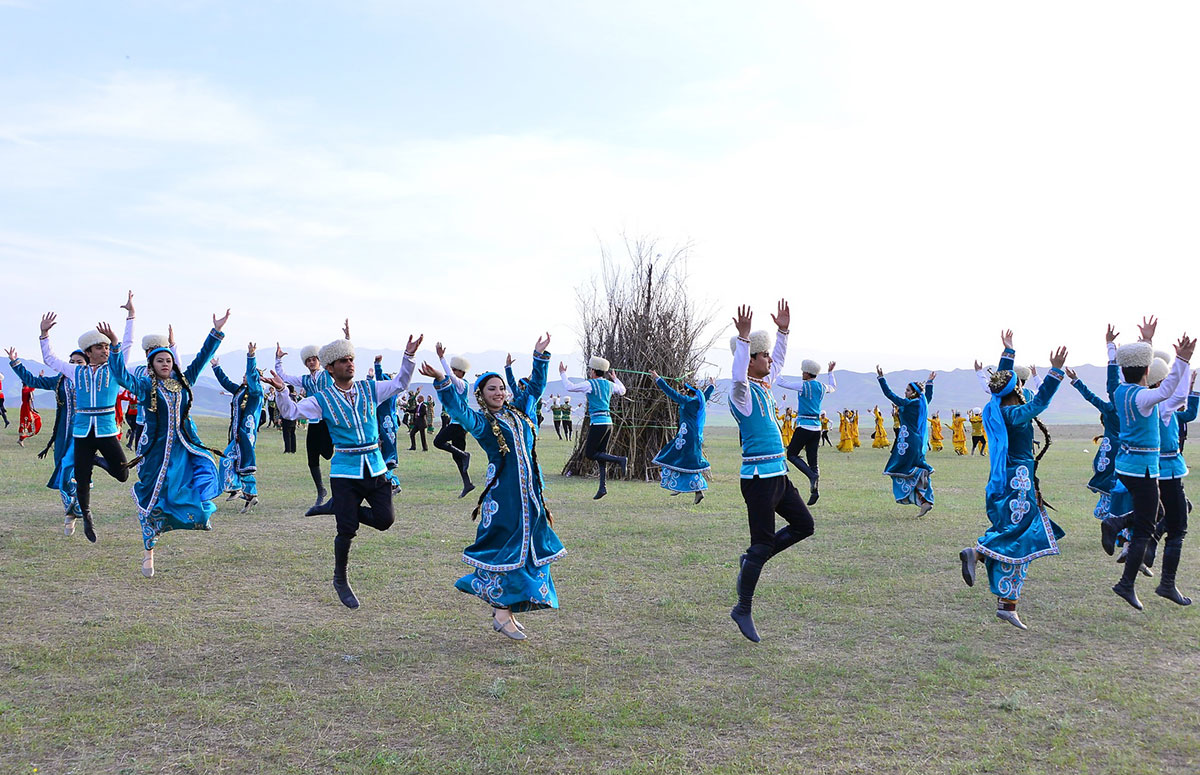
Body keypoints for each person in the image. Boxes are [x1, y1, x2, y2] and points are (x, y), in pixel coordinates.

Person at [423, 332, 562, 641]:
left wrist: (539, 356)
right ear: (482, 394)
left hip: (531, 496)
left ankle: (509, 609)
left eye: (501, 388)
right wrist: (442, 380)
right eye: (491, 389)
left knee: (531, 549)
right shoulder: (483, 422)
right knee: (504, 550)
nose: (498, 393)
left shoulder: (520, 411)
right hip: (504, 497)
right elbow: (457, 410)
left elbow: (536, 387)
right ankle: (501, 613)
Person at [270, 332, 421, 609]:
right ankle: (340, 578)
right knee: (347, 529)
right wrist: (281, 390)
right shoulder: (322, 399)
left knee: (385, 520)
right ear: (330, 368)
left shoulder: (369, 389)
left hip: (375, 467)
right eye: (342, 361)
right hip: (345, 471)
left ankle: (338, 507)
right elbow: (291, 412)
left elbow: (400, 383)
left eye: (351, 359)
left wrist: (408, 357)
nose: (349, 364)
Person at [105, 310, 230, 577]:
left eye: (169, 360)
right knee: (151, 498)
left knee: (195, 485)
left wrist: (216, 332)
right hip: (154, 453)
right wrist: (115, 345)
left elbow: (202, 358)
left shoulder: (184, 383)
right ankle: (149, 552)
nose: (165, 364)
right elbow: (119, 376)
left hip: (185, 448)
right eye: (159, 360)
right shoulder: (144, 386)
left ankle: (191, 516)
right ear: (151, 365)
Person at [959, 335, 1069, 629]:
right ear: (1017, 389)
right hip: (1018, 483)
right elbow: (1041, 401)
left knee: (1016, 539)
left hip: (1003, 482)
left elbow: (1001, 382)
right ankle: (978, 552)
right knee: (1019, 533)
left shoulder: (994, 409)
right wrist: (1054, 372)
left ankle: (1007, 605)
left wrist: (1008, 352)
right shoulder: (1015, 415)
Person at [726, 301, 814, 643]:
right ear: (750, 360)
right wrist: (744, 340)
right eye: (763, 357)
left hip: (779, 475)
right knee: (762, 543)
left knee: (804, 525)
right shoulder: (742, 393)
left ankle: (751, 559)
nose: (770, 362)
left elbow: (776, 362)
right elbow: (737, 376)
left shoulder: (763, 385)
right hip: (759, 481)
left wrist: (783, 332)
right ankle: (742, 608)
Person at [1103, 317, 1194, 610]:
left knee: (1156, 511)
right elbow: (1168, 391)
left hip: (1127, 465)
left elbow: (1143, 376)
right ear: (1146, 370)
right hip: (1142, 468)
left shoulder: (1121, 391)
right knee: (1147, 526)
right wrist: (1182, 360)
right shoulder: (1145, 398)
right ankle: (1128, 583)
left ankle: (1117, 522)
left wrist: (1145, 344)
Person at [38, 298, 137, 543]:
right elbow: (50, 359)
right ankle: (87, 517)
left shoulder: (114, 368)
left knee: (123, 473)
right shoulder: (76, 371)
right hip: (82, 431)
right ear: (88, 352)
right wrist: (44, 334)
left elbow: (126, 346)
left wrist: (130, 316)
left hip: (105, 429)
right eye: (100, 347)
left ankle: (96, 460)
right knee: (81, 479)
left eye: (106, 347)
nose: (105, 350)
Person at [6, 346, 87, 529]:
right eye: (72, 362)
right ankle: (70, 510)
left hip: (84, 432)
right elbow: (32, 380)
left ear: (87, 363)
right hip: (62, 431)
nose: (74, 365)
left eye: (79, 362)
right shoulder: (59, 381)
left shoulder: (91, 381)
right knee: (61, 466)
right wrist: (15, 363)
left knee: (77, 468)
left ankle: (78, 507)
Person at [275, 323, 346, 513]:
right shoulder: (305, 380)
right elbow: (283, 376)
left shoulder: (328, 374)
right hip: (313, 423)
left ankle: (339, 487)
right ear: (306, 363)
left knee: (329, 454)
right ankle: (321, 491)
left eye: (315, 359)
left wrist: (347, 337)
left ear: (320, 361)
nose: (312, 362)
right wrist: (278, 360)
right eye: (309, 360)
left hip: (330, 421)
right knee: (311, 459)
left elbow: (341, 360)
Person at [560, 356, 628, 499]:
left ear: (593, 371)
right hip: (609, 423)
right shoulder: (610, 385)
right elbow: (622, 390)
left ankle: (620, 460)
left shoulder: (590, 384)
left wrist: (562, 373)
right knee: (601, 455)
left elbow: (569, 387)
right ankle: (602, 487)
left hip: (598, 423)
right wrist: (615, 378)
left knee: (590, 454)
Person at [877, 366, 936, 516]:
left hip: (907, 442)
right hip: (913, 441)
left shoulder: (910, 403)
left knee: (897, 469)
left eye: (908, 390)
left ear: (915, 392)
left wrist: (881, 378)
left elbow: (889, 394)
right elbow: (928, 396)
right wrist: (930, 383)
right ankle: (924, 501)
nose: (905, 392)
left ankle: (923, 475)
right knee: (903, 469)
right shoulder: (922, 403)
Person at [211, 344, 264, 512]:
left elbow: (251, 374)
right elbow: (226, 383)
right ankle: (250, 495)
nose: (244, 377)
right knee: (239, 462)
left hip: (245, 433)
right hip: (238, 434)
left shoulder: (255, 392)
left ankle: (236, 488)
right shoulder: (241, 390)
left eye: (247, 376)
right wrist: (216, 367)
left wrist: (251, 357)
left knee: (231, 458)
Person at [650, 370, 715, 504]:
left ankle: (684, 487)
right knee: (686, 461)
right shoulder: (699, 401)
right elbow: (706, 394)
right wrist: (712, 385)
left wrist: (658, 379)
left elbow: (670, 392)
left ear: (688, 392)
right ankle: (685, 487)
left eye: (684, 391)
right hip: (694, 436)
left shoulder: (686, 401)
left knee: (672, 456)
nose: (682, 393)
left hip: (685, 436)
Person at [777, 360, 836, 505]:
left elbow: (782, 383)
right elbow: (833, 387)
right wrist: (830, 373)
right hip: (817, 428)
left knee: (791, 454)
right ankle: (814, 491)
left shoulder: (803, 386)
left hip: (804, 426)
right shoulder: (822, 387)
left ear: (807, 373)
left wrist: (776, 369)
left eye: (803, 371)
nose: (802, 373)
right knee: (813, 461)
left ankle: (811, 476)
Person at [434, 343, 476, 498]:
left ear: (460, 372)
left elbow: (450, 376)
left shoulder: (461, 384)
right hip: (458, 424)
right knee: (456, 456)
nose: (451, 372)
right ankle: (467, 484)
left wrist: (441, 358)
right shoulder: (457, 384)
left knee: (438, 442)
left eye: (454, 369)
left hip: (459, 424)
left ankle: (465, 455)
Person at [371, 356, 403, 493]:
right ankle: (392, 483)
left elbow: (379, 378)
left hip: (387, 426)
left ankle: (393, 483)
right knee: (385, 456)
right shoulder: (391, 393)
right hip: (387, 425)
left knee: (386, 456)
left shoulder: (387, 394)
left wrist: (377, 365)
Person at [17, 382, 41, 447]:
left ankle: (21, 439)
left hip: (27, 407)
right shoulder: (25, 390)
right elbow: (32, 387)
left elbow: (33, 387)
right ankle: (21, 439)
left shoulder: (27, 389)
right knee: (26, 422)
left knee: (32, 420)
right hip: (26, 408)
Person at [281, 386, 298, 454]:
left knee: (286, 434)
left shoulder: (287, 398)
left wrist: (280, 417)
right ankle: (293, 449)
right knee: (292, 434)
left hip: (287, 417)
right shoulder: (295, 397)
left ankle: (288, 449)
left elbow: (284, 408)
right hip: (294, 417)